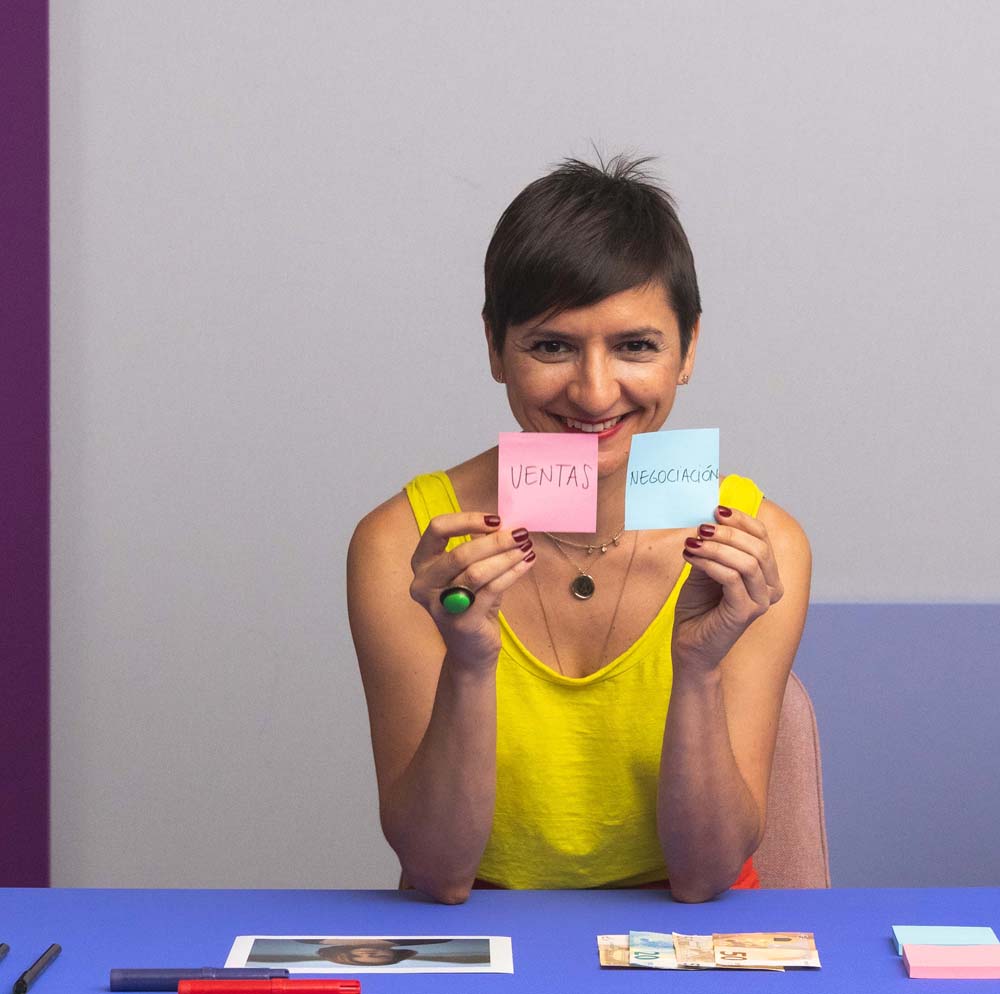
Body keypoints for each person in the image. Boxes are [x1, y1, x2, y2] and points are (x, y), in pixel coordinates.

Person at [347, 154, 811, 905]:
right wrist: (468, 666)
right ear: (495, 348)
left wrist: (697, 668)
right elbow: (438, 876)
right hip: (487, 930)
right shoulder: (404, 543)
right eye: (552, 346)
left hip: (683, 931)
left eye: (636, 346)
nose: (595, 394)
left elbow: (704, 878)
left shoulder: (758, 544)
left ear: (688, 349)